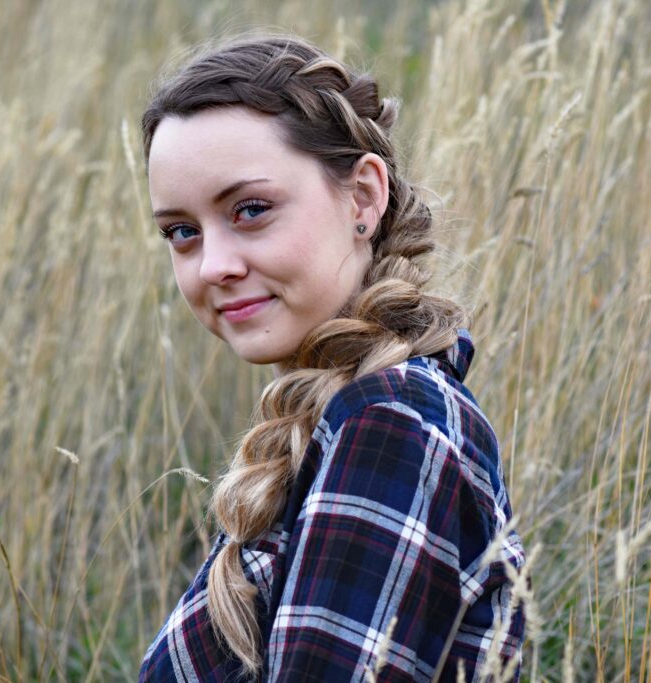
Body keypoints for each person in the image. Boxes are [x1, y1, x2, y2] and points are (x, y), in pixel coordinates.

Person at [137, 32, 526, 682]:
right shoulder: (341, 420)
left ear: (363, 198)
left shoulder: (393, 423)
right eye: (182, 232)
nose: (214, 265)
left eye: (251, 210)